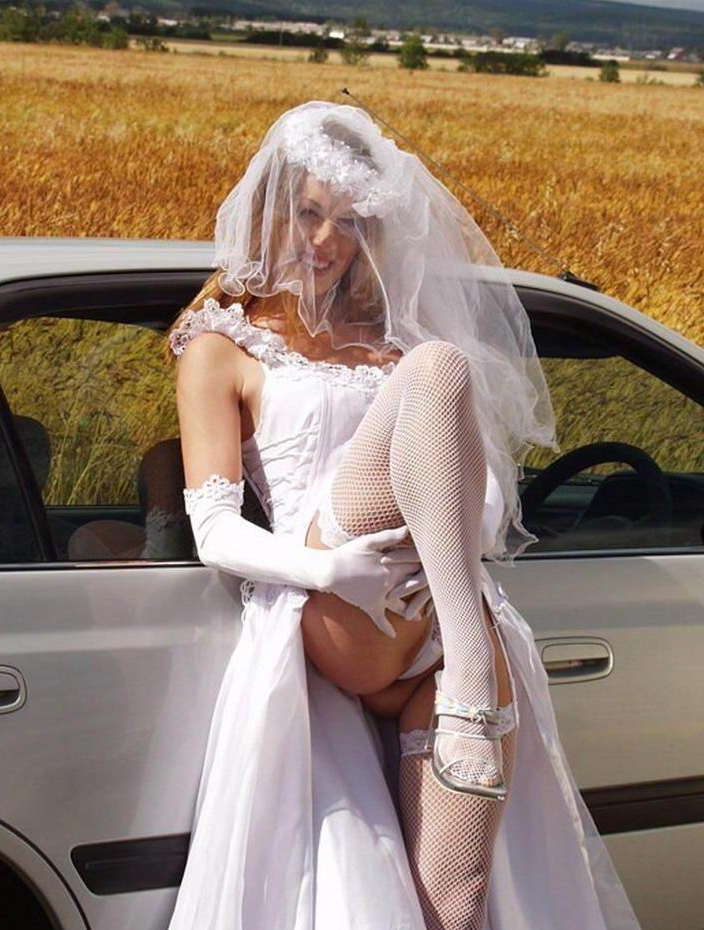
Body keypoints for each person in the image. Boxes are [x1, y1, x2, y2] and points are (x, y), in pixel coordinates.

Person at [164, 101, 643, 930]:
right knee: (439, 367)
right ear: (271, 211)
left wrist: (457, 533)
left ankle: (463, 666)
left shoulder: (388, 339)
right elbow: (212, 528)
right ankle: (469, 667)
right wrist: (328, 569)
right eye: (308, 214)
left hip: (433, 613)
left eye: (349, 223)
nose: (324, 241)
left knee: (456, 898)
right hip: (337, 604)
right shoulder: (220, 347)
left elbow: (481, 498)